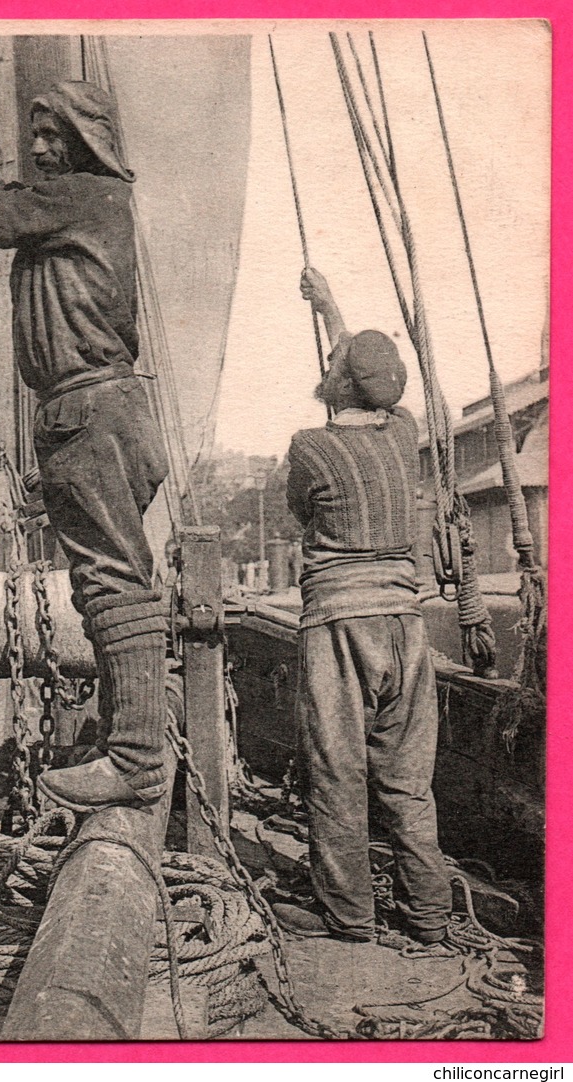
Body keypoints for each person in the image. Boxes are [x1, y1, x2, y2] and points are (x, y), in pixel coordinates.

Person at [0, 37, 171, 813]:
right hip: (93, 413)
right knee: (108, 585)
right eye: (33, 134)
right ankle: (126, 745)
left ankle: (135, 760)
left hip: (89, 412)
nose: (36, 149)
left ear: (82, 143)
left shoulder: (83, 195)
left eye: (50, 137)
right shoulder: (76, 202)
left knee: (110, 583)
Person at [275, 267, 451, 946]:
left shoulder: (309, 448)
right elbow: (359, 365)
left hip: (338, 627)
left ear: (335, 381)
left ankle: (348, 916)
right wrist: (331, 308)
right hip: (405, 629)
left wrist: (330, 318)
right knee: (407, 778)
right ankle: (430, 916)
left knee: (336, 770)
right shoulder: (403, 435)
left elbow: (300, 514)